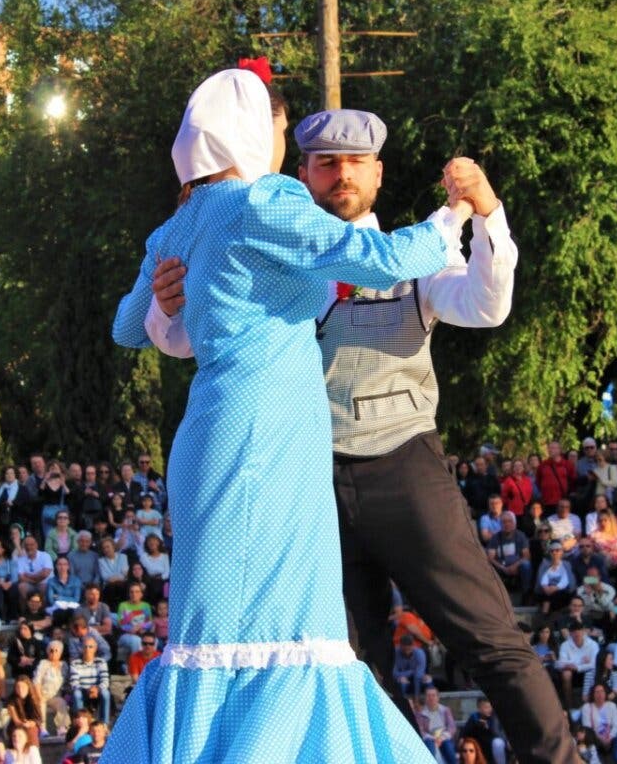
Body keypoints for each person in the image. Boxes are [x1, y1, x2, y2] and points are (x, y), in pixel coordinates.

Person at [141, 86, 572, 763]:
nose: (340, 174)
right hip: (304, 485)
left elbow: (486, 305)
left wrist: (487, 217)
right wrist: (166, 308)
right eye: (324, 163)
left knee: (489, 639)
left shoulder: (414, 256)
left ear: (376, 173)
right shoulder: (258, 239)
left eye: (354, 162)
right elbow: (188, 342)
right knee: (343, 661)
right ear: (301, 174)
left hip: (402, 469)